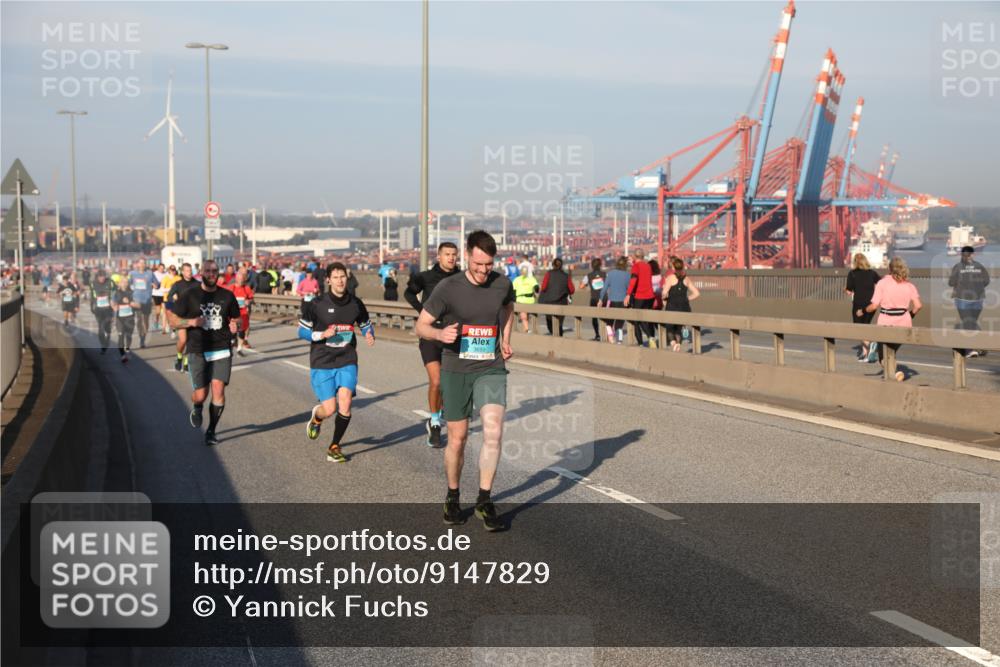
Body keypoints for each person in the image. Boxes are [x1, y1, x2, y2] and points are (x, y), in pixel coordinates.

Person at [415, 231, 514, 531]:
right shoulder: (448, 287)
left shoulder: (502, 284)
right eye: (479, 264)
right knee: (457, 439)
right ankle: (453, 496)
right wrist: (439, 334)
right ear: (468, 255)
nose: (484, 271)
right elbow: (421, 326)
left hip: (490, 367)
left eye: (489, 265)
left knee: (493, 431)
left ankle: (485, 499)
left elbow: (508, 308)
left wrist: (505, 338)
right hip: (456, 369)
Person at [299, 262, 375, 463]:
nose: (340, 281)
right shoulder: (316, 304)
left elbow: (366, 324)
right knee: (329, 409)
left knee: (346, 402)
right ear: (328, 280)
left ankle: (334, 446)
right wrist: (321, 334)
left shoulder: (356, 303)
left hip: (346, 357)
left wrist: (369, 334)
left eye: (343, 277)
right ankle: (317, 417)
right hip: (322, 359)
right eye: (336, 277)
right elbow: (302, 331)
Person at [167, 259, 241, 446]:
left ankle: (211, 431)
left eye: (214, 271)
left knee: (218, 389)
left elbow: (237, 319)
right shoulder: (190, 295)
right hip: (198, 349)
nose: (211, 274)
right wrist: (191, 323)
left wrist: (235, 325)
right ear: (201, 272)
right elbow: (173, 320)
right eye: (207, 271)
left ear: (218, 273)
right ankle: (197, 407)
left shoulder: (227, 295)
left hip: (222, 349)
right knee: (201, 394)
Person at [404, 242, 460, 447]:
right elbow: (409, 293)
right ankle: (435, 422)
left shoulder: (461, 278)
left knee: (448, 382)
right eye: (447, 254)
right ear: (439, 256)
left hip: (453, 335)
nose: (451, 258)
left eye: (454, 254)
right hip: (429, 335)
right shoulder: (425, 277)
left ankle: (441, 411)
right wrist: (423, 313)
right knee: (436, 381)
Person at [865, 257, 922, 382]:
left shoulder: (882, 283)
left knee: (882, 357)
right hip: (904, 324)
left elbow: (874, 306)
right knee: (891, 352)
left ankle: (896, 374)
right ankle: (893, 375)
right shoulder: (909, 285)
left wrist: (865, 310)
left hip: (886, 323)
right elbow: (918, 306)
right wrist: (909, 316)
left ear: (889, 269)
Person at [948, 245, 991, 358]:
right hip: (978, 299)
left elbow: (951, 283)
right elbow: (986, 281)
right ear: (973, 254)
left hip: (962, 299)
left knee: (968, 323)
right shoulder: (979, 266)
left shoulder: (957, 267)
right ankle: (972, 347)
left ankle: (968, 349)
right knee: (971, 322)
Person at [844, 253, 881, 362]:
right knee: (866, 326)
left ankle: (869, 347)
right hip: (870, 304)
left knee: (859, 328)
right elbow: (880, 284)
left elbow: (849, 291)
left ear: (855, 262)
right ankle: (865, 353)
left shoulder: (852, 274)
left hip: (858, 305)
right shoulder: (872, 273)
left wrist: (845, 289)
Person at [662, 257, 700, 351]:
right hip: (684, 307)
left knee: (669, 328)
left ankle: (673, 343)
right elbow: (697, 293)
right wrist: (686, 299)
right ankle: (678, 343)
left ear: (674, 268)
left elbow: (664, 293)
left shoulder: (670, 278)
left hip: (672, 306)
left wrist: (664, 298)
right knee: (678, 329)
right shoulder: (686, 279)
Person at [167, 263, 198, 372]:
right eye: (187, 270)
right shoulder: (178, 284)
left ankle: (186, 362)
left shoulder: (197, 284)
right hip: (181, 316)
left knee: (191, 341)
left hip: (194, 316)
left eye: (190, 270)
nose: (189, 272)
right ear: (183, 272)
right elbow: (169, 296)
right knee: (183, 340)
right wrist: (173, 297)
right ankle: (179, 357)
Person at [625, 248, 656, 347]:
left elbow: (633, 280)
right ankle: (651, 338)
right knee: (646, 318)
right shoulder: (648, 266)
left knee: (637, 320)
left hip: (640, 296)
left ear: (634, 256)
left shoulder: (636, 266)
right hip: (650, 296)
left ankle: (642, 343)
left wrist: (628, 294)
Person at [538, 258, 574, 336]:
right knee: (559, 324)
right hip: (562, 303)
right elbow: (572, 290)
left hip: (549, 302)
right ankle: (559, 337)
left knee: (550, 323)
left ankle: (555, 337)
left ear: (553, 265)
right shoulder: (566, 276)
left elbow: (543, 287)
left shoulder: (548, 274)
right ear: (561, 266)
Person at [599, 257, 631, 344]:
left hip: (612, 301)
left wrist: (601, 300)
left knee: (609, 322)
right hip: (623, 302)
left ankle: (610, 336)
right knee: (619, 324)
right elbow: (630, 289)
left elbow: (604, 289)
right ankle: (619, 341)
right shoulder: (628, 275)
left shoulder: (610, 274)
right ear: (625, 265)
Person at [128, 258, 158, 348]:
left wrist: (155, 285)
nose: (142, 265)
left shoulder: (150, 273)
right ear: (137, 264)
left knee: (145, 321)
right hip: (136, 300)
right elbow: (126, 284)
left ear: (146, 264)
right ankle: (142, 339)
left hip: (147, 301)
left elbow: (157, 284)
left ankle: (143, 335)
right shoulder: (133, 274)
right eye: (140, 263)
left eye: (144, 263)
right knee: (139, 320)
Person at [227, 267, 255, 354]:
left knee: (242, 330)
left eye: (242, 279)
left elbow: (252, 299)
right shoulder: (231, 288)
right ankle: (231, 343)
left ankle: (239, 348)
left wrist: (248, 301)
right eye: (239, 279)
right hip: (232, 313)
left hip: (243, 312)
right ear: (236, 278)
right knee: (233, 330)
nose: (241, 281)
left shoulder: (247, 288)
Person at [112, 275, 138, 363]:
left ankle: (127, 347)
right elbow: (112, 303)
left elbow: (138, 305)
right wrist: (114, 307)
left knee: (129, 336)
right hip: (120, 319)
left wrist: (130, 302)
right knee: (120, 335)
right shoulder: (116, 293)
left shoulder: (132, 293)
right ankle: (123, 355)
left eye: (126, 282)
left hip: (130, 318)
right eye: (123, 282)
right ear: (119, 284)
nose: (125, 284)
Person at [579, 258, 607, 341]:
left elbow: (581, 287)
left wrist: (586, 285)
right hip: (604, 298)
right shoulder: (605, 274)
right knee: (605, 316)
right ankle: (606, 334)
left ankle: (597, 334)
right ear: (600, 265)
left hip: (594, 299)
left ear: (591, 266)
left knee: (594, 318)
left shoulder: (588, 276)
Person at [90, 270, 115, 355]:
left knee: (107, 326)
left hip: (108, 309)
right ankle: (103, 346)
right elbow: (92, 295)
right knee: (100, 328)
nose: (102, 278)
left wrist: (114, 302)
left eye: (103, 276)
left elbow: (116, 292)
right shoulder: (93, 283)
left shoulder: (110, 282)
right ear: (97, 277)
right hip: (98, 309)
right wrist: (91, 306)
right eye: (100, 277)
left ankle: (108, 336)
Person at [513, 264, 540, 333]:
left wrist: (513, 299)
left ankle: (526, 328)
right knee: (525, 315)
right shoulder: (531, 279)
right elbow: (536, 288)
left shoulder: (516, 279)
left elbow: (513, 291)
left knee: (525, 316)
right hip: (529, 300)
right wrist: (536, 291)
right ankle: (527, 329)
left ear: (521, 272)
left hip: (521, 299)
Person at [159, 265, 180, 336]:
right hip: (167, 299)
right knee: (168, 315)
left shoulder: (178, 278)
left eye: (174, 270)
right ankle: (168, 325)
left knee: (175, 315)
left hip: (176, 299)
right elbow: (162, 289)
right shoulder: (165, 278)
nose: (173, 271)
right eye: (172, 270)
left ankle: (173, 330)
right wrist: (171, 290)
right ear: (169, 270)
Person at [151, 262, 167, 332]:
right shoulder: (154, 274)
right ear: (158, 268)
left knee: (164, 310)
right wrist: (153, 284)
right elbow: (150, 281)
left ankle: (164, 326)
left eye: (163, 268)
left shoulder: (166, 274)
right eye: (160, 268)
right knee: (157, 311)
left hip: (164, 294)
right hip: (156, 294)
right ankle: (156, 322)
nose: (162, 270)